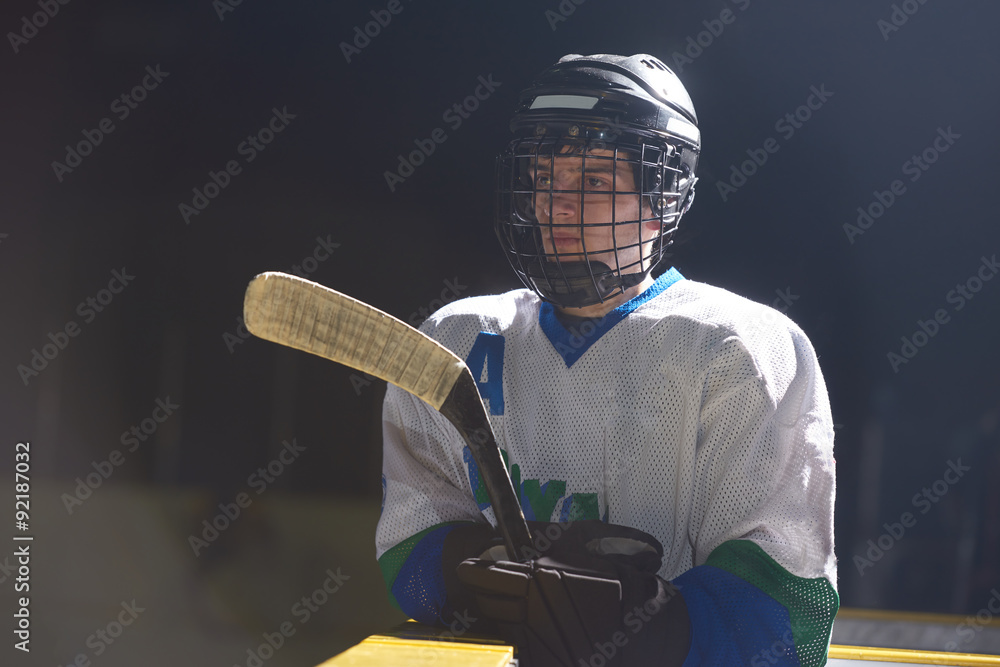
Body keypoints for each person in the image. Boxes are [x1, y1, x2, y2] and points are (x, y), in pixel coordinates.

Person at [375, 53, 838, 666]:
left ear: (663, 197)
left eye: (592, 182)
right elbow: (411, 548)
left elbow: (783, 603)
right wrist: (480, 574)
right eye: (544, 178)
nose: (557, 207)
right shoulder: (458, 338)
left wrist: (638, 624)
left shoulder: (744, 348)